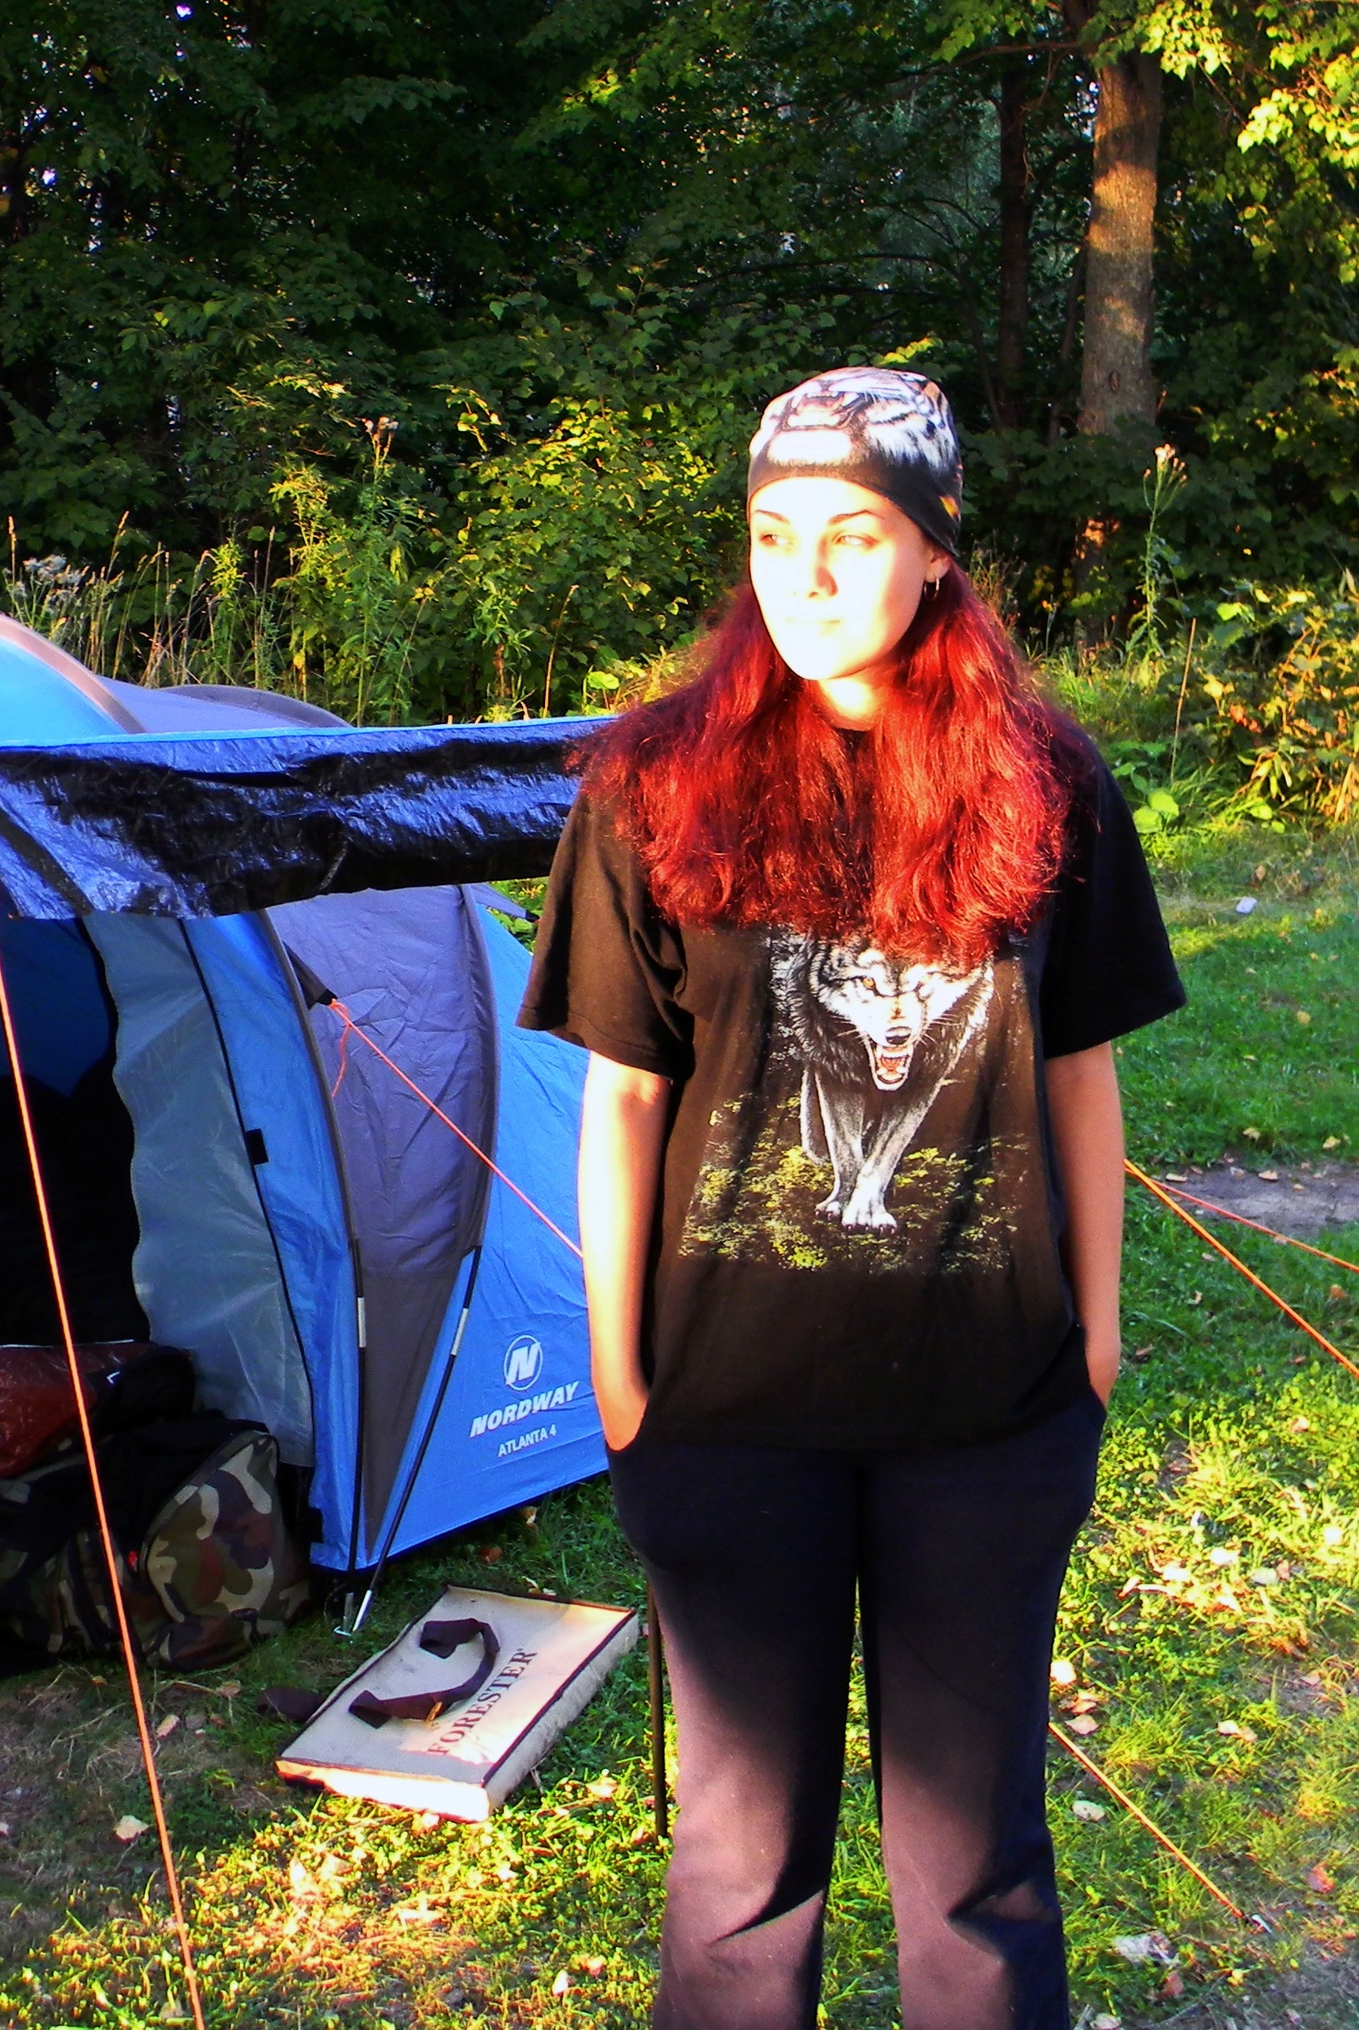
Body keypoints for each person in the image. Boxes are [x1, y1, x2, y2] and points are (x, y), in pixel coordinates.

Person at [518, 368, 1184, 2030]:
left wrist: (1094, 1342)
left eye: (853, 534)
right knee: (739, 1875)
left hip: (988, 1416)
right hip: (730, 1417)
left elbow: (1080, 1074)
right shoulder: (653, 785)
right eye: (771, 534)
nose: (804, 577)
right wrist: (620, 1379)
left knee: (973, 1872)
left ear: (937, 552)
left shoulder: (1047, 779)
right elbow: (624, 1096)